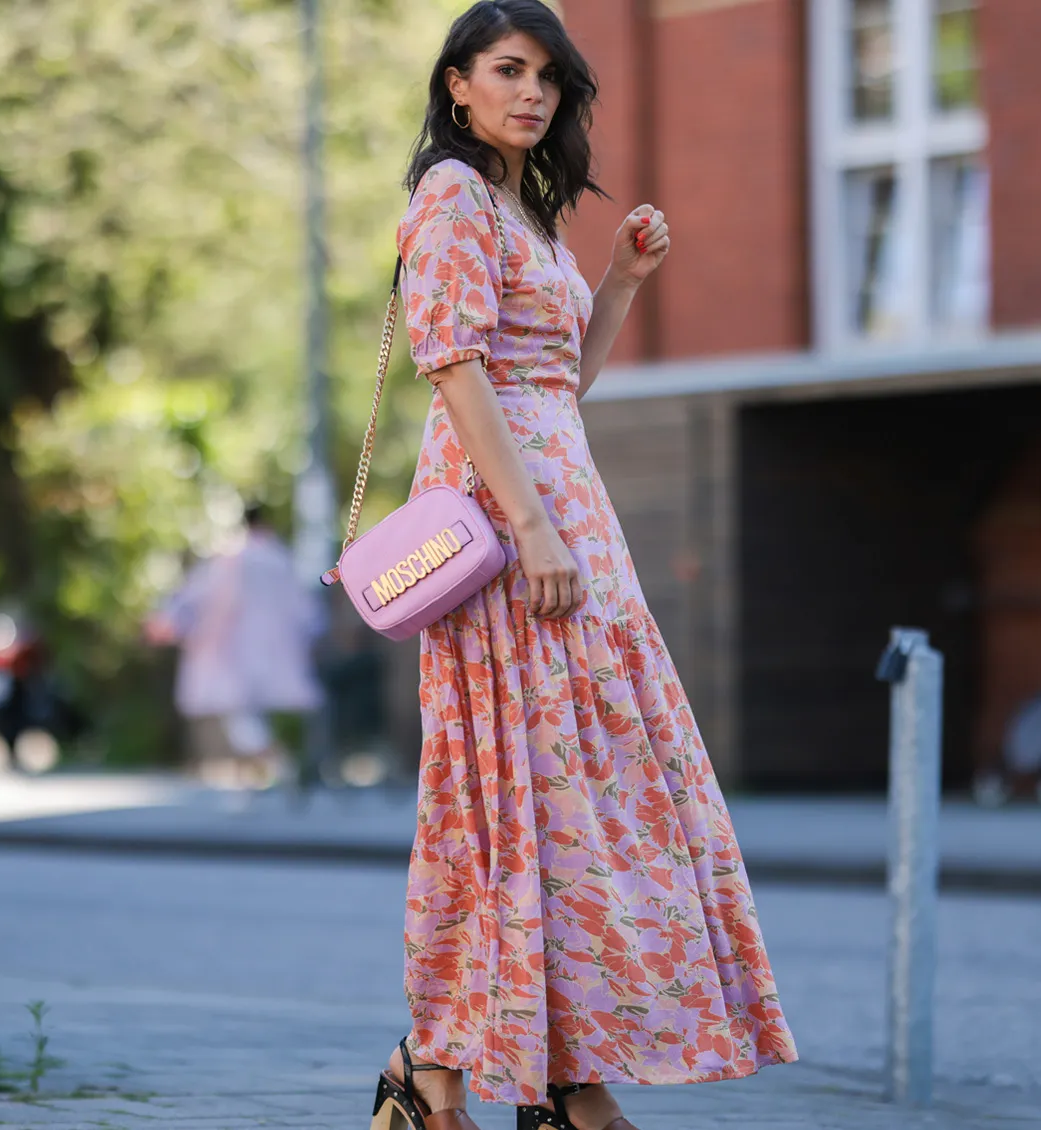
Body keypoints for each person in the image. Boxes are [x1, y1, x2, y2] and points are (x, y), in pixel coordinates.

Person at [369, 4, 797, 1129]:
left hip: (564, 520)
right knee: (521, 795)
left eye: (550, 79)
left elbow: (555, 382)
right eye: (508, 71)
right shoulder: (452, 196)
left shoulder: (523, 209)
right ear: (455, 84)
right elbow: (453, 364)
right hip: (511, 535)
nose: (533, 94)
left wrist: (615, 284)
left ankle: (490, 1072)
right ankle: (490, 1074)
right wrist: (533, 527)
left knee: (577, 794)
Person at [147, 503, 324, 788]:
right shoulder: (278, 558)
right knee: (251, 715)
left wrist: (170, 623)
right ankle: (257, 776)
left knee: (241, 715)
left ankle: (274, 764)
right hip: (272, 651)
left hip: (232, 652)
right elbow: (306, 610)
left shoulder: (230, 558)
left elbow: (195, 596)